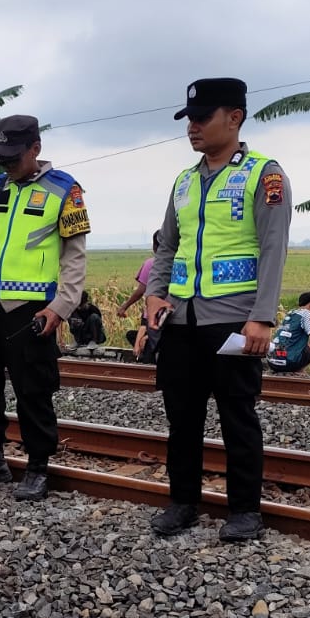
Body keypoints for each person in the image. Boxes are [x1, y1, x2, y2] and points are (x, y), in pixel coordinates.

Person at [146, 78, 290, 542]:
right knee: (181, 418)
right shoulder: (185, 181)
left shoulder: (263, 175)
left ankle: (245, 510)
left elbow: (273, 248)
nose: (193, 127)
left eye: (202, 118)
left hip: (234, 321)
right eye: (189, 119)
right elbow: (167, 244)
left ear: (235, 117)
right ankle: (182, 501)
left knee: (237, 417)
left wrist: (263, 316)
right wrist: (155, 292)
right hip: (182, 322)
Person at [0, 114, 89, 501]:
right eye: (0, 156)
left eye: (13, 156)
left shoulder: (65, 190)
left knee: (33, 388)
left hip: (32, 308)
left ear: (36, 149)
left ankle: (38, 467)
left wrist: (60, 308)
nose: (6, 163)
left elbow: (75, 260)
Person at [116, 233, 161, 364]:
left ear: (154, 247)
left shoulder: (151, 264)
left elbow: (140, 291)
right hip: (173, 317)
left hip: (154, 318)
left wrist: (124, 306)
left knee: (149, 361)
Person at [266, 291, 310, 375]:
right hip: (289, 362)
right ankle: (299, 368)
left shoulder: (291, 313)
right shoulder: (306, 313)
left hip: (273, 363)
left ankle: (295, 367)